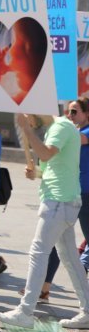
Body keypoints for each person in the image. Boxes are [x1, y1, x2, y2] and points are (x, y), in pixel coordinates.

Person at [0, 113, 89, 329]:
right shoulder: (56, 129)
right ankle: (87, 310)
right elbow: (49, 168)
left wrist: (26, 129)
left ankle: (25, 312)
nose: (24, 116)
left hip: (58, 201)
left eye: (28, 112)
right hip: (62, 200)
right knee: (71, 259)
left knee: (39, 252)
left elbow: (45, 154)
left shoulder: (61, 126)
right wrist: (34, 173)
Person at [66, 98, 89, 271]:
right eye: (68, 111)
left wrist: (54, 120)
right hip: (75, 191)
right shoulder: (76, 131)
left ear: (87, 113)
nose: (69, 115)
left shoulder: (85, 132)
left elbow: (73, 139)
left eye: (74, 111)